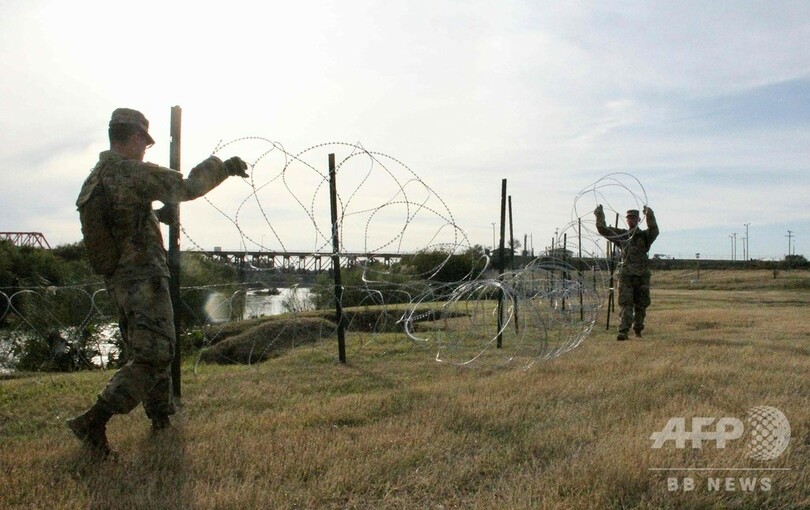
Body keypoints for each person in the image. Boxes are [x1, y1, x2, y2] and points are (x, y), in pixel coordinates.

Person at [68, 108, 249, 457]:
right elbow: (185, 187)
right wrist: (223, 166)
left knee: (152, 348)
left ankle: (161, 420)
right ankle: (94, 419)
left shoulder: (98, 176)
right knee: (156, 352)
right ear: (135, 137)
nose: (145, 149)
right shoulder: (130, 172)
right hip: (143, 278)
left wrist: (153, 215)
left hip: (120, 280)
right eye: (145, 142)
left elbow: (121, 220)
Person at [594, 205, 659, 341]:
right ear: (626, 220)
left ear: (638, 219)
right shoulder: (623, 236)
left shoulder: (645, 236)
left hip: (642, 275)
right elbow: (603, 230)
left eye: (634, 218)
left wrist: (649, 214)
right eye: (629, 218)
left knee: (641, 304)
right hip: (626, 275)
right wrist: (600, 214)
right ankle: (623, 331)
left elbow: (655, 230)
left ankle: (638, 329)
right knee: (626, 303)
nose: (631, 220)